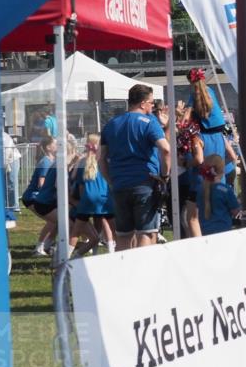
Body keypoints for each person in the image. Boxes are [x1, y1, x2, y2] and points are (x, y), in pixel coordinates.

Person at [100, 84, 172, 251]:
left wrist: (111, 181)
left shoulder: (111, 124)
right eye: (151, 103)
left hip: (119, 185)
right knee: (146, 233)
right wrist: (164, 176)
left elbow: (101, 158)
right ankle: (143, 273)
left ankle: (125, 273)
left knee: (124, 236)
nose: (153, 106)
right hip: (144, 184)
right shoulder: (149, 122)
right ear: (143, 103)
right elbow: (166, 149)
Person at [71, 133, 116, 256]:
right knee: (112, 228)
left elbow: (77, 181)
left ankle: (67, 257)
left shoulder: (82, 162)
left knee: (76, 231)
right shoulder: (105, 161)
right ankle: (113, 252)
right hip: (104, 198)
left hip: (87, 199)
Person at [196, 155, 241, 235]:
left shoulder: (199, 190)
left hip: (204, 232)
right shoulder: (225, 190)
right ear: (222, 170)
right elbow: (236, 211)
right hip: (223, 232)